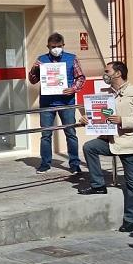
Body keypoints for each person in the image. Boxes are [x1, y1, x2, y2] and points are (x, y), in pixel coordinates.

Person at [78, 61, 133, 232]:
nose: (105, 74)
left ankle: (132, 220)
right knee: (90, 147)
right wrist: (86, 120)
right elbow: (99, 116)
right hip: (111, 141)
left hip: (130, 144)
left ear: (118, 73)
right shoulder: (106, 94)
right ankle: (98, 185)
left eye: (107, 71)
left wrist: (122, 121)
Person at [28, 32, 86, 174]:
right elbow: (33, 80)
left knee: (70, 132)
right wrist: (34, 68)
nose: (56, 49)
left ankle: (74, 163)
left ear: (63, 46)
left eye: (59, 46)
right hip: (47, 103)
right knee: (46, 134)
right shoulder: (41, 60)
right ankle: (45, 163)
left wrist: (73, 89)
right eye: (53, 46)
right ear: (48, 46)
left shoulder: (71, 59)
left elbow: (81, 78)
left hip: (66, 102)